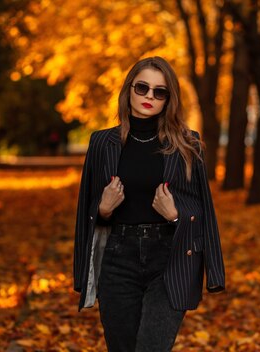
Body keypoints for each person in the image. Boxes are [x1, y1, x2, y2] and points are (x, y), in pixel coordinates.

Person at [73, 56, 225, 351]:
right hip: (118, 258)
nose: (149, 97)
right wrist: (103, 209)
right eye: (142, 88)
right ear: (128, 89)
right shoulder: (102, 143)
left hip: (169, 258)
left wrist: (176, 216)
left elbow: (202, 210)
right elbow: (86, 212)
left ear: (169, 99)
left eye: (160, 92)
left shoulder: (186, 144)